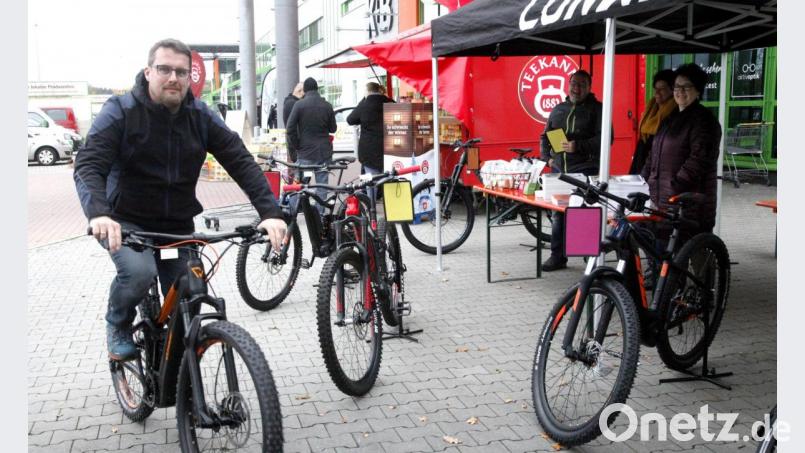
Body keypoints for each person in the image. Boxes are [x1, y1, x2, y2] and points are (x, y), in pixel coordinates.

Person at [74, 38, 287, 361]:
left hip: (176, 223)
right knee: (139, 273)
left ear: (190, 77)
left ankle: (181, 373)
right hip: (127, 221)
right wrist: (99, 214)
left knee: (192, 291)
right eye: (164, 69)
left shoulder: (200, 116)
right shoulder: (121, 111)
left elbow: (240, 160)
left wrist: (270, 212)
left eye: (181, 72)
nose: (173, 78)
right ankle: (117, 324)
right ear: (148, 72)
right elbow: (89, 165)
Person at [641, 63, 722, 245]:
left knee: (695, 258)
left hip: (689, 203)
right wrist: (642, 180)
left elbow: (699, 160)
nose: (680, 91)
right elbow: (653, 154)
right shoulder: (670, 118)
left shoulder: (704, 120)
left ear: (698, 90)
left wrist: (676, 185)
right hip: (664, 201)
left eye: (686, 87)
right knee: (663, 254)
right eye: (677, 86)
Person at [539, 70, 607, 271]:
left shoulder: (597, 110)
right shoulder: (559, 109)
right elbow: (545, 136)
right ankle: (557, 256)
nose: (576, 88)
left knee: (584, 214)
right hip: (561, 170)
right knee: (559, 214)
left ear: (589, 87)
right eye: (573, 84)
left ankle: (590, 258)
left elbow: (606, 140)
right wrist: (548, 157)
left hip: (586, 170)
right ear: (568, 85)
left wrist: (579, 146)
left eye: (582, 85)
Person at [286, 77, 337, 214]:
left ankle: (292, 213)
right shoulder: (327, 105)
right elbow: (333, 129)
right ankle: (319, 216)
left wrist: (297, 146)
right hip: (323, 154)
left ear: (305, 90)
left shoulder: (299, 105)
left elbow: (290, 128)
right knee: (322, 186)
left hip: (306, 154)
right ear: (317, 89)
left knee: (300, 184)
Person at [629, 69, 676, 174]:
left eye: (662, 89)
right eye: (656, 88)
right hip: (642, 157)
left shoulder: (674, 111)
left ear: (672, 89)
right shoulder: (651, 106)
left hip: (659, 163)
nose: (657, 92)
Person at [347, 82, 394, 175]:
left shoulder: (364, 105)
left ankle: (372, 190)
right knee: (388, 179)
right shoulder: (390, 102)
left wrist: (363, 99)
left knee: (371, 181)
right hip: (390, 148)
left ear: (367, 91)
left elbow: (350, 119)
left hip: (369, 152)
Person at [282, 82, 304, 162]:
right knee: (300, 170)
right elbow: (293, 128)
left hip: (292, 143)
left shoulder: (289, 101)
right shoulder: (294, 104)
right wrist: (298, 146)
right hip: (296, 145)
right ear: (300, 91)